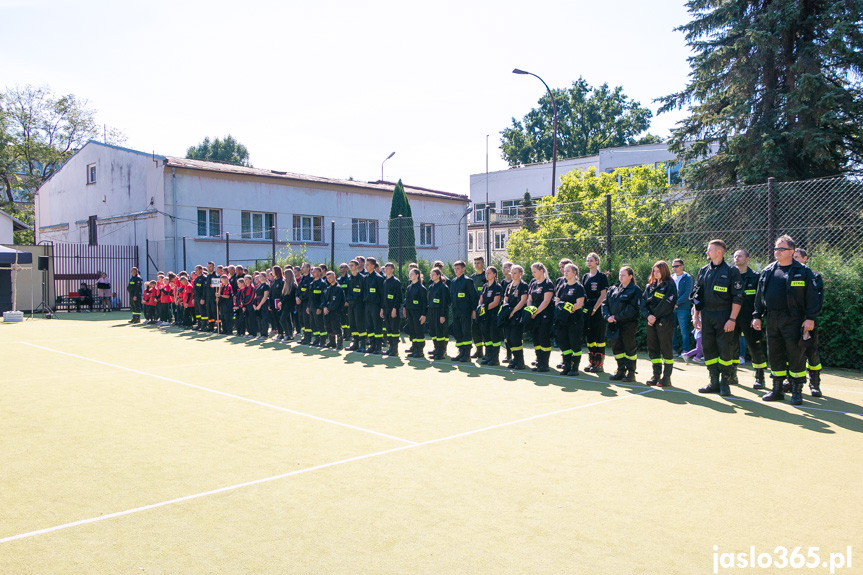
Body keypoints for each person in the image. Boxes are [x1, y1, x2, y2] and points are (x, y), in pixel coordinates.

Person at [753, 236, 820, 405]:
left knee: (795, 354)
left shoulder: (803, 271)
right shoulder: (768, 271)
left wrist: (810, 318)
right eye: (776, 248)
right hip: (773, 318)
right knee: (774, 354)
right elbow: (759, 296)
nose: (777, 251)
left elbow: (813, 298)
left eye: (781, 249)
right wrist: (757, 315)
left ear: (791, 251)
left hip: (794, 319)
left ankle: (797, 391)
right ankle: (777, 390)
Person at [692, 239, 744, 396]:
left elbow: (738, 297)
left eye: (709, 250)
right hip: (707, 315)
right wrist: (696, 316)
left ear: (719, 252)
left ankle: (724, 382)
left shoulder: (731, 271)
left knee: (725, 349)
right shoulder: (703, 271)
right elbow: (696, 295)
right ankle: (713, 381)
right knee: (708, 348)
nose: (707, 252)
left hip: (724, 315)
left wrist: (732, 319)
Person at [734, 249, 768, 389]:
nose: (737, 258)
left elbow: (760, 299)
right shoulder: (730, 276)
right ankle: (731, 374)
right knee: (730, 346)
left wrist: (757, 316)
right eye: (735, 256)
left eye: (740, 256)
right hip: (732, 318)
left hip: (750, 318)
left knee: (755, 346)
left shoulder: (756, 277)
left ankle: (760, 377)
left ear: (747, 259)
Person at [793, 248, 824, 397]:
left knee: (812, 351)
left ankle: (814, 383)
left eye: (797, 257)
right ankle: (790, 381)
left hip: (807, 320)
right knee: (791, 351)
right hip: (790, 321)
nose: (794, 259)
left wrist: (809, 318)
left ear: (805, 258)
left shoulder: (814, 276)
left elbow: (816, 301)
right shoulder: (787, 274)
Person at [641, 261, 678, 386]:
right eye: (654, 271)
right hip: (651, 321)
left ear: (664, 271)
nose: (656, 273)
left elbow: (667, 304)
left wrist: (654, 316)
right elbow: (643, 303)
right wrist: (648, 316)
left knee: (666, 348)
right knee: (653, 348)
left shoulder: (670, 286)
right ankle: (656, 375)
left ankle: (666, 377)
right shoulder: (649, 286)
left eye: (658, 271)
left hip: (664, 321)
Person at [602, 266, 642, 382]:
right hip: (613, 324)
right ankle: (620, 370)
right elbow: (604, 304)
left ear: (630, 276)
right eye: (620, 274)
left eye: (623, 275)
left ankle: (631, 372)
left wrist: (617, 317)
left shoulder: (635, 290)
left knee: (629, 348)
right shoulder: (613, 288)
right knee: (616, 347)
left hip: (628, 324)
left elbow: (633, 308)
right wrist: (608, 316)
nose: (621, 277)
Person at [554, 263, 586, 376]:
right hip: (562, 320)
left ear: (574, 273)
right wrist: (561, 309)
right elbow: (557, 301)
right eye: (565, 271)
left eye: (568, 271)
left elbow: (579, 304)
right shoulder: (562, 286)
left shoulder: (579, 287)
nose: (565, 272)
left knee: (574, 343)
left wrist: (568, 308)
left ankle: (575, 368)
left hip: (574, 320)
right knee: (563, 343)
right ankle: (567, 366)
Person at [582, 253, 609, 373]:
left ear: (597, 262)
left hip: (597, 309)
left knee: (599, 336)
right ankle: (592, 360)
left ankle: (599, 362)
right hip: (587, 308)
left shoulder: (601, 277)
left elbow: (603, 295)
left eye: (591, 260)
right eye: (587, 260)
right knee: (590, 336)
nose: (589, 263)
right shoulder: (585, 276)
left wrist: (594, 308)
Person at [525, 263, 554, 372]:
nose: (533, 274)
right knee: (536, 338)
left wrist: (536, 312)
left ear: (541, 270)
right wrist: (530, 310)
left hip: (544, 315)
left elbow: (546, 301)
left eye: (535, 272)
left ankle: (544, 364)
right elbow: (529, 299)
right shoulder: (534, 284)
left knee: (543, 338)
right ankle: (539, 361)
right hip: (534, 315)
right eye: (532, 272)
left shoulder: (548, 284)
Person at [500, 265, 529, 369]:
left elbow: (523, 301)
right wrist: (506, 309)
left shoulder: (523, 285)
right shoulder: (509, 286)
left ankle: (520, 360)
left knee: (515, 338)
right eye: (512, 273)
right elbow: (505, 299)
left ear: (520, 274)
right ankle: (514, 359)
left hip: (518, 314)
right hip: (508, 315)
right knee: (509, 339)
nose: (512, 275)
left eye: (515, 273)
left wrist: (513, 311)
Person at [449, 260, 479, 362]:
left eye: (458, 268)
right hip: (456, 311)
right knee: (458, 332)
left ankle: (467, 354)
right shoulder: (453, 281)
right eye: (455, 268)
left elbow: (474, 297)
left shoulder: (467, 281)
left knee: (466, 332)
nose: (456, 270)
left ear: (463, 269)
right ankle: (460, 352)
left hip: (465, 311)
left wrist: (474, 310)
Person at [477, 266, 503, 366]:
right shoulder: (485, 286)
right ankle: (488, 356)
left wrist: (485, 308)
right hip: (484, 316)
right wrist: (480, 307)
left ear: (494, 274)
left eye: (489, 273)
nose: (486, 275)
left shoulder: (497, 286)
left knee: (494, 336)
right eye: (486, 273)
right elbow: (481, 299)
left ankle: (495, 358)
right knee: (486, 335)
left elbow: (496, 302)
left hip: (493, 315)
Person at [426, 268, 451, 360]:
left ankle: (441, 352)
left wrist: (442, 315)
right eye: (431, 274)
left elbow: (445, 302)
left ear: (438, 275)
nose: (431, 276)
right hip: (432, 311)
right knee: (433, 331)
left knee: (440, 331)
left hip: (439, 312)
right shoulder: (431, 287)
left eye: (433, 274)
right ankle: (436, 349)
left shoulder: (443, 287)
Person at [403, 268, 428, 358]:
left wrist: (423, 314)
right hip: (410, 312)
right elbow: (407, 300)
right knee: (412, 330)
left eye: (412, 274)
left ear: (417, 275)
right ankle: (415, 348)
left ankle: (420, 350)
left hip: (418, 312)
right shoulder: (409, 287)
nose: (410, 275)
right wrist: (405, 309)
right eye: (409, 274)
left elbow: (425, 302)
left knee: (418, 331)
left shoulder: (421, 288)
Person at [363, 257, 385, 354]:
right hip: (367, 305)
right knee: (369, 326)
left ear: (372, 266)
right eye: (366, 265)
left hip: (376, 306)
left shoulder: (379, 278)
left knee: (377, 326)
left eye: (367, 265)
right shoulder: (366, 277)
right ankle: (372, 345)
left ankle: (378, 346)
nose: (366, 267)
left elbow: (382, 294)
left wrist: (381, 308)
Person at [671, 258, 693, 355]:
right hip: (671, 308)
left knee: (684, 330)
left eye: (676, 266)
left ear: (682, 266)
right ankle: (673, 350)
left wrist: (676, 303)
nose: (674, 268)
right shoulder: (671, 277)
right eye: (673, 266)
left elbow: (687, 293)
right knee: (672, 330)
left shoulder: (687, 277)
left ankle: (685, 350)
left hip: (683, 308)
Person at [381, 263, 403, 356]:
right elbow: (383, 297)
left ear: (392, 269)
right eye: (385, 268)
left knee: (394, 329)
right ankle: (390, 347)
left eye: (388, 268)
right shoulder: (385, 281)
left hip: (393, 309)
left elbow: (398, 297)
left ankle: (395, 349)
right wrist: (382, 309)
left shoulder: (396, 282)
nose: (386, 270)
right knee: (388, 329)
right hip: (386, 309)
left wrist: (395, 308)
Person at [345, 259, 366, 351]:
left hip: (359, 304)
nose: (351, 267)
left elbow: (362, 292)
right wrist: (349, 299)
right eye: (350, 265)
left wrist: (355, 298)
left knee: (360, 323)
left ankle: (363, 344)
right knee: (352, 323)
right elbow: (348, 292)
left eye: (352, 265)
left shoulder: (362, 278)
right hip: (351, 304)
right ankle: (355, 343)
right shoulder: (349, 279)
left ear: (357, 266)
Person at [322, 270, 346, 349]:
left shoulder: (338, 289)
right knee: (328, 326)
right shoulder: (328, 288)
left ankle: (339, 343)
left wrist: (328, 308)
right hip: (327, 311)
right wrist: (324, 307)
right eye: (327, 278)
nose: (329, 279)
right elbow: (324, 300)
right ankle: (332, 342)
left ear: (334, 277)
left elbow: (337, 302)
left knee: (336, 327)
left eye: (330, 277)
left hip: (336, 312)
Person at [470, 257, 486, 359]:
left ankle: (487, 352)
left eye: (478, 263)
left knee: (484, 329)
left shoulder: (486, 275)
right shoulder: (472, 277)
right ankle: (479, 351)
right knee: (475, 330)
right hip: (474, 307)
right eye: (475, 263)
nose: (476, 265)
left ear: (483, 264)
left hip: (484, 307)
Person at [308, 266, 327, 347]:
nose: (313, 273)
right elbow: (310, 297)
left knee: (320, 324)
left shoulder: (322, 283)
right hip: (312, 307)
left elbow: (324, 297)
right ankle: (316, 339)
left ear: (319, 273)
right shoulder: (312, 283)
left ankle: (323, 341)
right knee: (312, 324)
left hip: (318, 307)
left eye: (315, 272)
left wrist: (320, 308)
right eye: (312, 272)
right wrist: (308, 307)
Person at [278, 268, 297, 343]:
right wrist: (280, 301)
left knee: (282, 320)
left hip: (289, 305)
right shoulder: (286, 284)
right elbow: (283, 295)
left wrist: (281, 302)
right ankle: (290, 335)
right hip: (285, 305)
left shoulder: (293, 285)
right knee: (288, 320)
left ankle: (288, 335)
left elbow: (289, 296)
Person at [500, 261, 514, 362]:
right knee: (506, 335)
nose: (503, 269)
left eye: (505, 267)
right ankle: (508, 354)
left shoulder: (515, 283)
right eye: (503, 267)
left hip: (514, 311)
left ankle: (516, 355)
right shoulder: (503, 282)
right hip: (505, 311)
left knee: (514, 334)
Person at [296, 263, 312, 343]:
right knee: (301, 319)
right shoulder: (302, 278)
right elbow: (298, 289)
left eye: (304, 267)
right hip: (300, 303)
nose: (302, 269)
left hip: (306, 302)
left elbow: (308, 291)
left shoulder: (310, 278)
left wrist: (300, 298)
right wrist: (296, 297)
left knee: (306, 320)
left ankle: (308, 338)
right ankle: (304, 336)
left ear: (308, 268)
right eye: (301, 267)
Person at [252, 273, 270, 340]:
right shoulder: (258, 285)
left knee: (263, 319)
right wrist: (254, 304)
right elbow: (255, 296)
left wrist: (260, 305)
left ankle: (265, 334)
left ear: (265, 277)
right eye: (259, 276)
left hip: (263, 304)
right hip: (257, 304)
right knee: (259, 319)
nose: (260, 277)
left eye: (261, 276)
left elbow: (265, 296)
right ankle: (261, 333)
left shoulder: (266, 285)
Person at [270, 266, 285, 340]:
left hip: (280, 303)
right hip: (274, 302)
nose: (272, 272)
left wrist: (281, 302)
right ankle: (279, 333)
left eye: (273, 270)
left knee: (280, 318)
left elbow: (283, 293)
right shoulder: (274, 281)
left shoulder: (282, 281)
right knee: (275, 318)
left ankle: (282, 333)